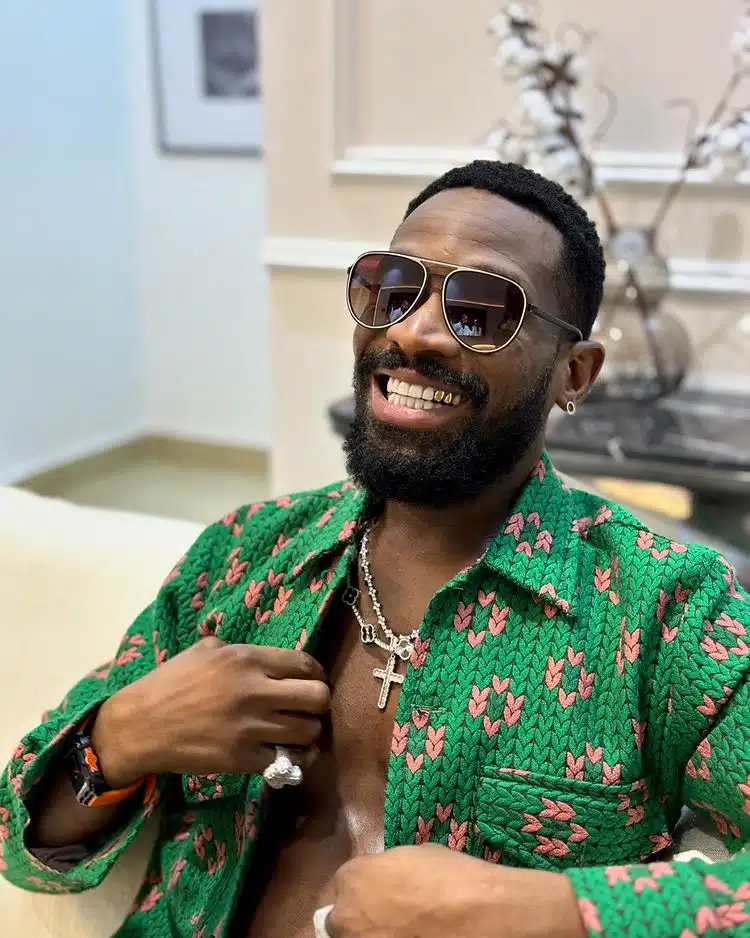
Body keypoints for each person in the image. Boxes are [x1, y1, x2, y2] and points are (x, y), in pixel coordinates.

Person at [2, 160, 749, 938]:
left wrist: (536, 910)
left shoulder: (663, 610)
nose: (412, 331)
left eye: (481, 310)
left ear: (574, 373)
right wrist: (119, 739)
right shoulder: (245, 557)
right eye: (393, 288)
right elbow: (21, 846)